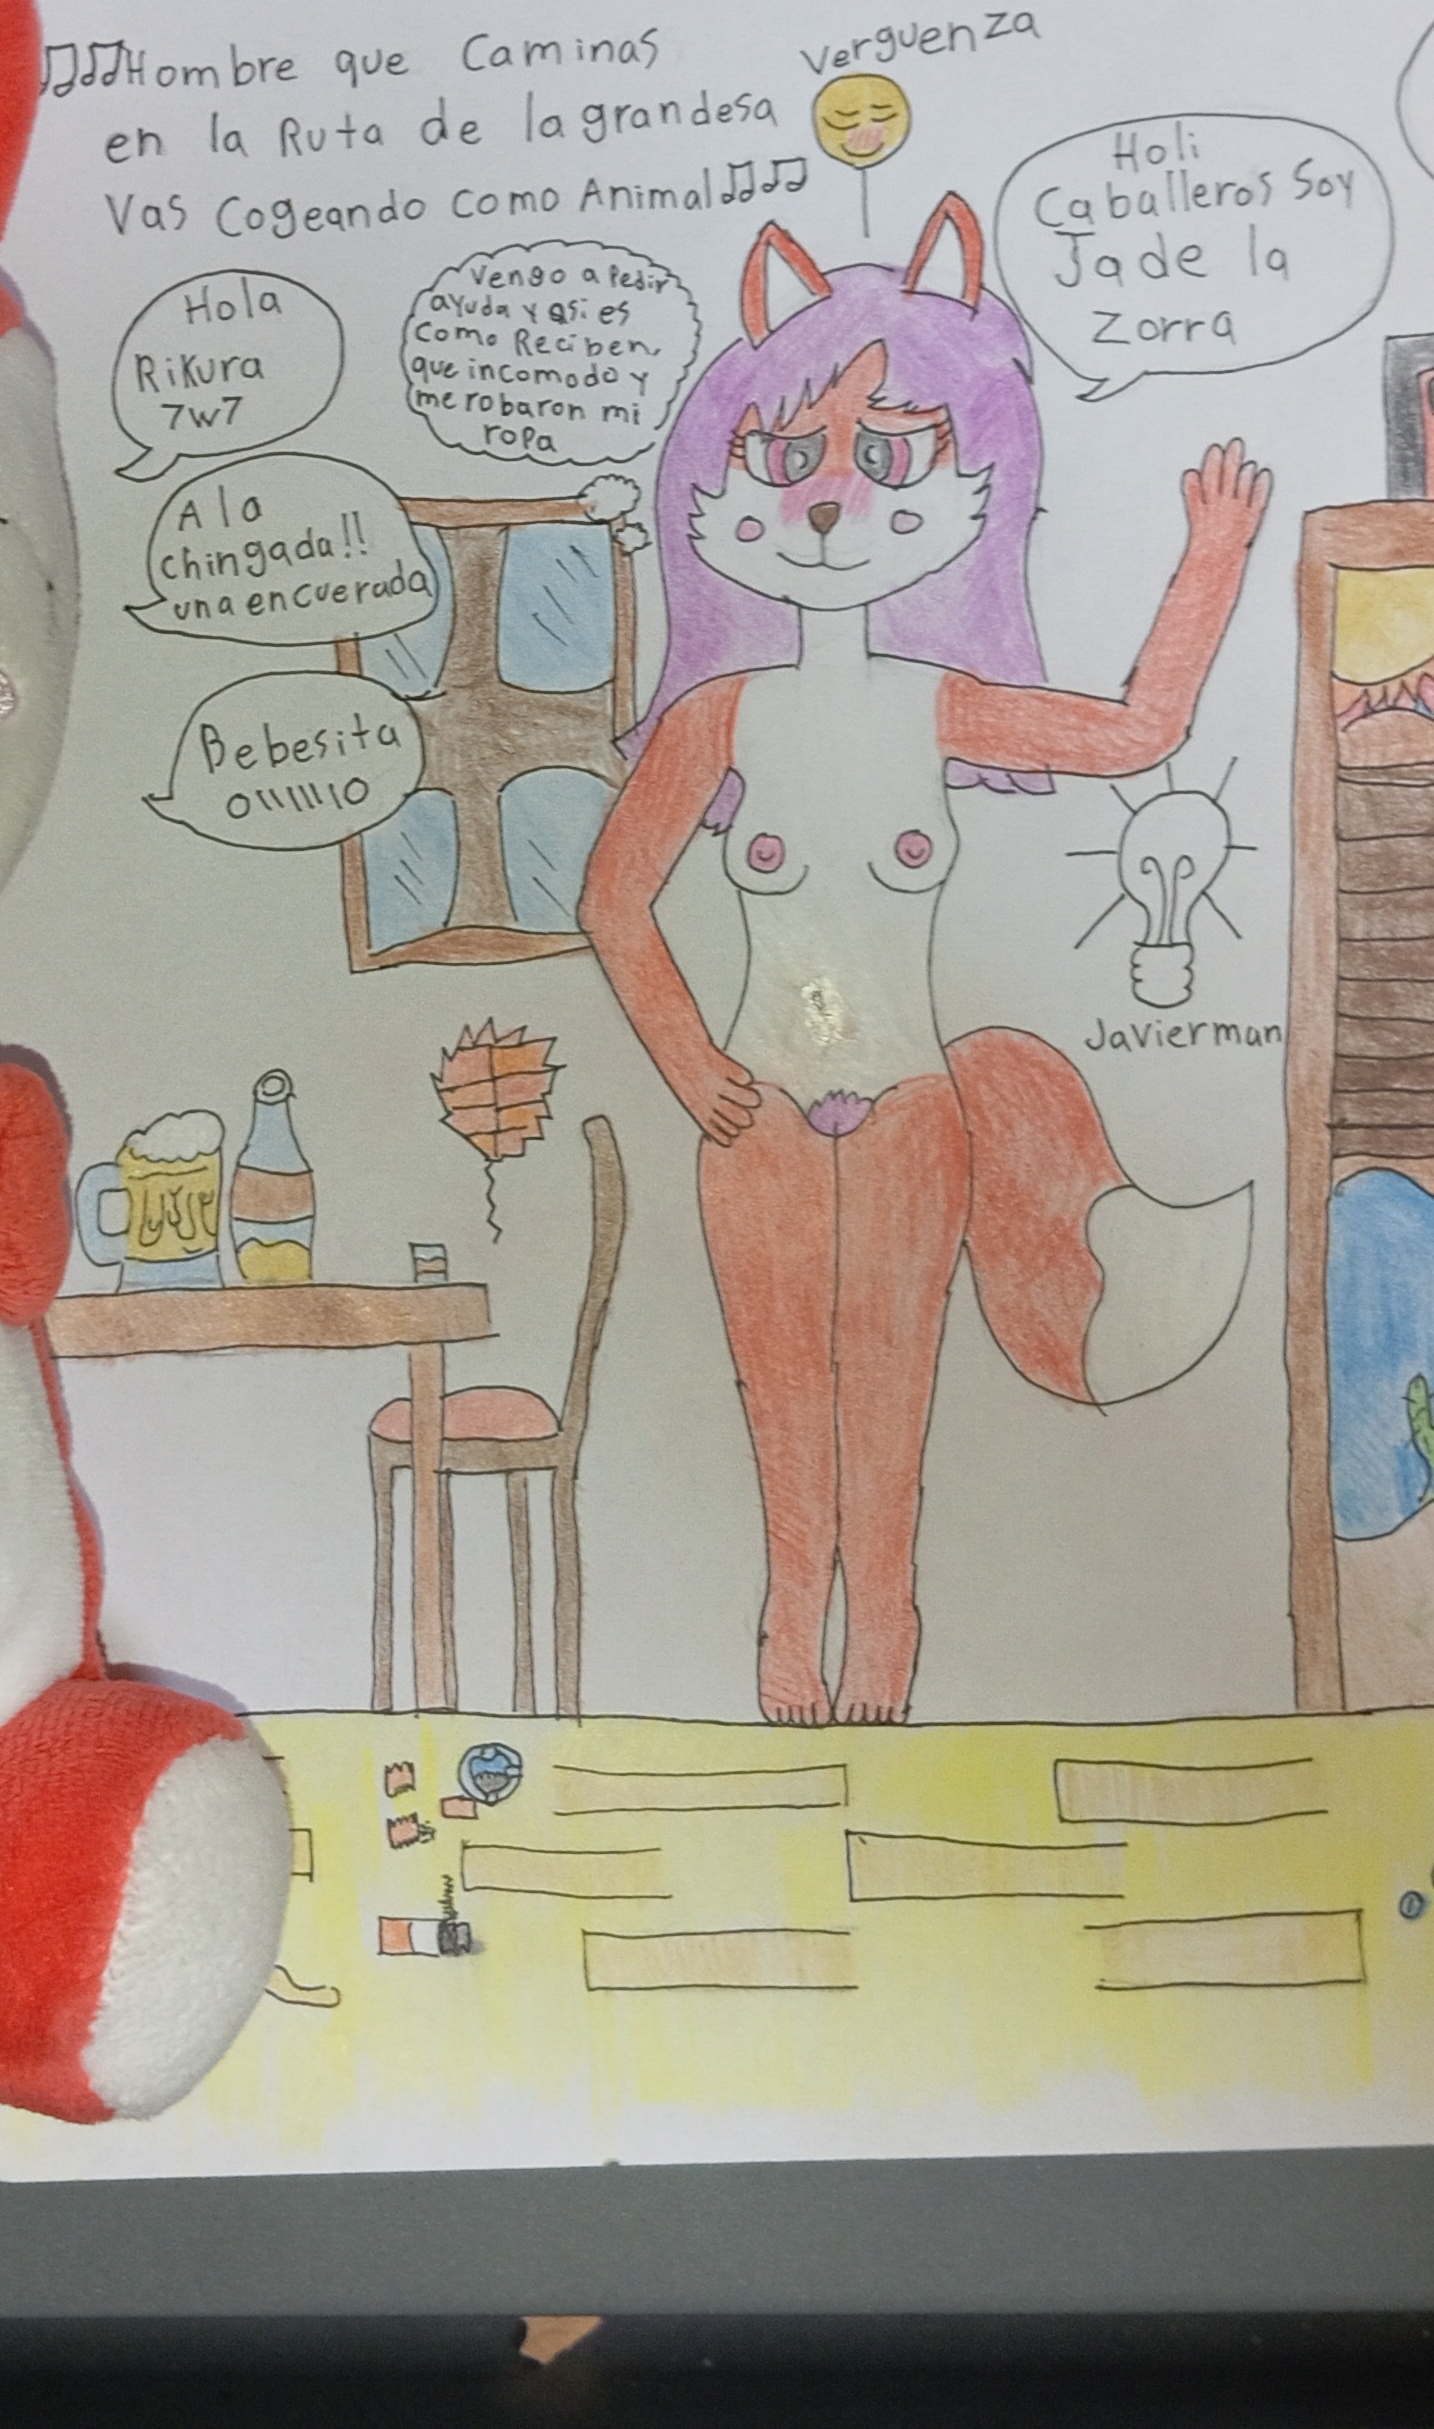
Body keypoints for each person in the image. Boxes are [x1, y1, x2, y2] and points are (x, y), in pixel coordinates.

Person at [580, 197, 1267, 1723]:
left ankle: (882, 1629)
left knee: (888, 1389)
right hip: (753, 1112)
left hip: (908, 1109)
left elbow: (1138, 734)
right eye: (791, 459)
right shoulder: (715, 719)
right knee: (781, 1390)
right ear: (724, 486)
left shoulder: (938, 705)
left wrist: (1212, 559)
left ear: (972, 486)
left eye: (886, 459)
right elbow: (613, 902)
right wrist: (690, 1063)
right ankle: (789, 1625)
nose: (831, 502)